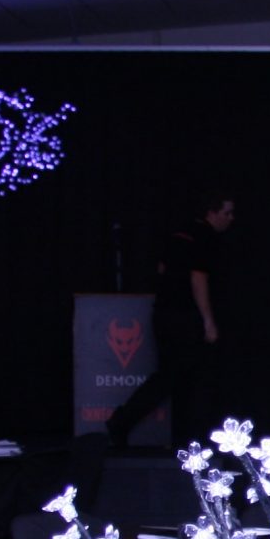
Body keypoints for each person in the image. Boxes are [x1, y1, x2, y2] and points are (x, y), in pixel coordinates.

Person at [108, 189, 235, 448]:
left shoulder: (179, 234)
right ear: (212, 212)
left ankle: (182, 437)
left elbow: (162, 268)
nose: (230, 218)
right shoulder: (205, 237)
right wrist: (208, 320)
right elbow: (198, 278)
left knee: (176, 378)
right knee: (184, 378)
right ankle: (126, 421)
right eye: (227, 213)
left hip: (164, 313)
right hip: (185, 317)